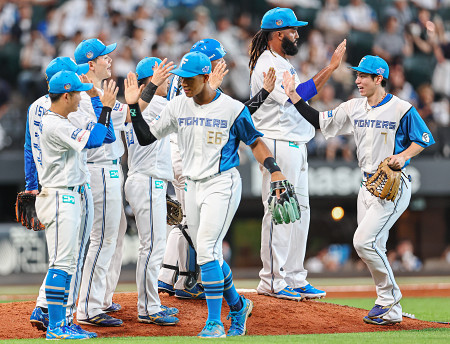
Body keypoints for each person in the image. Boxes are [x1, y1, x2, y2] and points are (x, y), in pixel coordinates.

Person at [124, 51, 296, 338]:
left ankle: (214, 322)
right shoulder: (178, 105)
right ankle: (238, 306)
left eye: (190, 79)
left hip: (222, 183)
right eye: (182, 79)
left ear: (206, 78)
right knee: (210, 252)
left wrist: (275, 169)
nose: (184, 84)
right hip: (191, 185)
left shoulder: (231, 109)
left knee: (205, 249)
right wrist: (132, 107)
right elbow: (144, 137)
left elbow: (254, 142)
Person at [282, 55, 435, 325]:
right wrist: (294, 95)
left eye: (363, 76)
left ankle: (389, 298)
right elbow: (318, 121)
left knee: (363, 242)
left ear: (379, 79)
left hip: (393, 186)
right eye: (357, 75)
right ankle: (392, 312)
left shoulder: (401, 108)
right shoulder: (354, 107)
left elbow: (423, 139)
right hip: (367, 185)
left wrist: (403, 156)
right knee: (375, 245)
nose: (357, 80)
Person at [158, 38, 276, 300]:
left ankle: (171, 275)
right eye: (216, 59)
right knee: (190, 223)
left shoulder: (193, 80)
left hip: (185, 152)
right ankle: (181, 279)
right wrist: (262, 96)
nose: (221, 63)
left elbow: (231, 116)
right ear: (206, 62)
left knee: (191, 224)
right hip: (187, 153)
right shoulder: (193, 84)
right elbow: (224, 115)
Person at [248, 7, 346, 301]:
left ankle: (294, 276)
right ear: (278, 34)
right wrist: (330, 68)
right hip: (277, 142)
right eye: (292, 30)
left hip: (296, 144)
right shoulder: (268, 64)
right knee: (279, 212)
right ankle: (272, 279)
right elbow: (299, 95)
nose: (297, 34)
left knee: (299, 213)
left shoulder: (282, 62)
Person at [27, 57, 112, 338]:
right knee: (62, 263)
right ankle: (56, 326)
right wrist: (105, 106)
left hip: (65, 194)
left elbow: (98, 136)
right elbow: (98, 138)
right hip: (61, 196)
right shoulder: (56, 124)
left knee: (67, 262)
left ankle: (61, 320)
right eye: (77, 93)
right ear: (66, 95)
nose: (80, 97)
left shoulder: (56, 118)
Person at [70, 38, 129, 327]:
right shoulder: (81, 97)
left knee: (115, 234)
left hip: (111, 169)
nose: (110, 59)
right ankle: (89, 308)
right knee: (102, 239)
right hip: (98, 170)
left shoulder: (102, 93)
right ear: (91, 63)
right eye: (105, 56)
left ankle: (102, 297)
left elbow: (124, 113)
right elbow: (97, 138)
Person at [124, 56, 179, 325]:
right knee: (152, 247)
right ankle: (148, 308)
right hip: (147, 180)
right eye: (164, 77)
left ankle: (149, 304)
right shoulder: (157, 103)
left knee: (153, 246)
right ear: (151, 80)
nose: (168, 82)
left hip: (147, 179)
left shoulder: (141, 104)